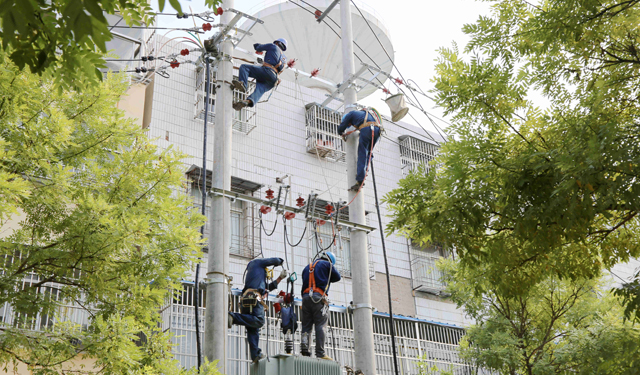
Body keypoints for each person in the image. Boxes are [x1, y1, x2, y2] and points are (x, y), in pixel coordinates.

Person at [229, 257, 287, 363]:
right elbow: (273, 261)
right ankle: (233, 317)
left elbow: (268, 287)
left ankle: (255, 355)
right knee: (259, 320)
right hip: (254, 297)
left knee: (252, 328)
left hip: (246, 299)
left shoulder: (257, 277)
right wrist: (280, 261)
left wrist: (280, 278)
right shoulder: (257, 262)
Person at [300, 251, 341, 360]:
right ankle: (320, 353)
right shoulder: (327, 264)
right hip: (318, 298)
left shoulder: (306, 267)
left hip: (305, 298)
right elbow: (337, 277)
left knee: (306, 326)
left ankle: (305, 350)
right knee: (320, 325)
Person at [232, 38, 288, 111]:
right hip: (274, 80)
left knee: (244, 67)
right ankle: (248, 101)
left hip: (267, 71)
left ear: (277, 43)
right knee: (259, 90)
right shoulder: (284, 59)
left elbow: (258, 47)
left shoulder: (273, 46)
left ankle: (243, 84)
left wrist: (258, 49)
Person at [337, 107, 383, 191]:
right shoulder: (363, 115)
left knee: (362, 153)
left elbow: (342, 125)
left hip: (367, 130)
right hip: (377, 130)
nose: (350, 125)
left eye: (349, 124)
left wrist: (340, 132)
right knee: (368, 153)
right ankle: (364, 172)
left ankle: (360, 179)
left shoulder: (350, 114)